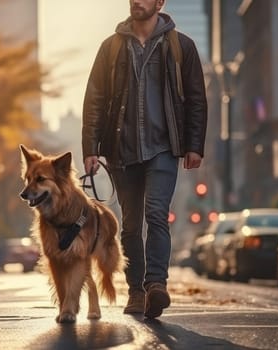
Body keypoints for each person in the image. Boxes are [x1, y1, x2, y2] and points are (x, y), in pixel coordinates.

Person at [82, 0, 207, 318]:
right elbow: (95, 97)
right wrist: (90, 148)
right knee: (131, 225)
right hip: (121, 149)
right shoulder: (111, 48)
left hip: (163, 149)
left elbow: (195, 98)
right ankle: (135, 291)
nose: (137, 1)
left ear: (160, 2)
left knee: (156, 215)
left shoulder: (182, 46)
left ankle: (156, 286)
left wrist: (194, 145)